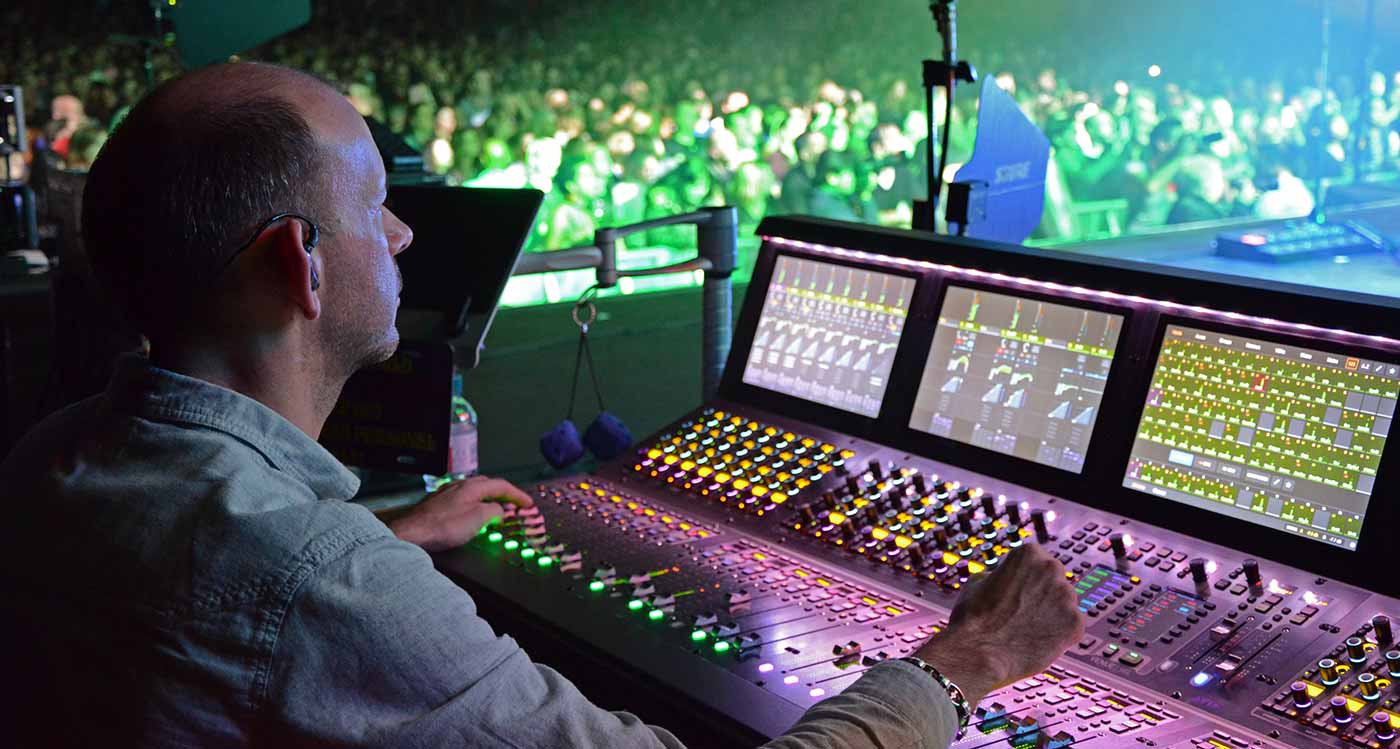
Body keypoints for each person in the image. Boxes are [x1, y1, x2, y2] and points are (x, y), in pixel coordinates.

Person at [0, 62, 1085, 748]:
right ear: (302, 267)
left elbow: (228, 600)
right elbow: (285, 592)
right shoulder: (318, 580)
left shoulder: (56, 456)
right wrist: (962, 662)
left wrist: (391, 529)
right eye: (379, 207)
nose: (405, 236)